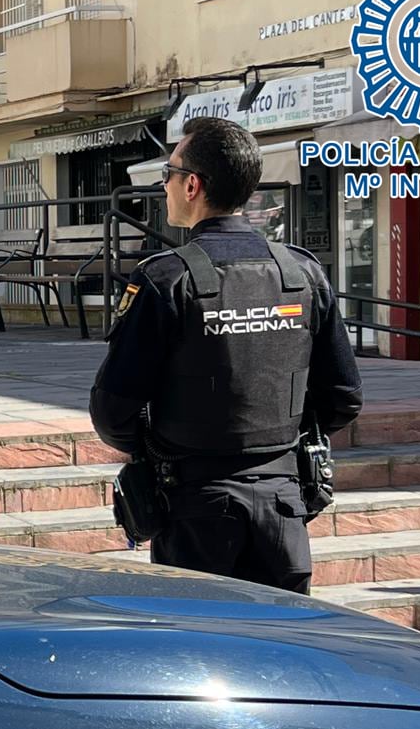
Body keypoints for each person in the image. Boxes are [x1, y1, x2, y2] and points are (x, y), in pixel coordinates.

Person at [90, 116, 364, 594]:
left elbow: (113, 410)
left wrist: (160, 449)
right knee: (279, 653)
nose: (166, 186)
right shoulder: (300, 273)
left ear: (192, 185)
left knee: (201, 652)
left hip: (195, 508)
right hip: (283, 509)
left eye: (168, 175)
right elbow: (343, 397)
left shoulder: (166, 279)